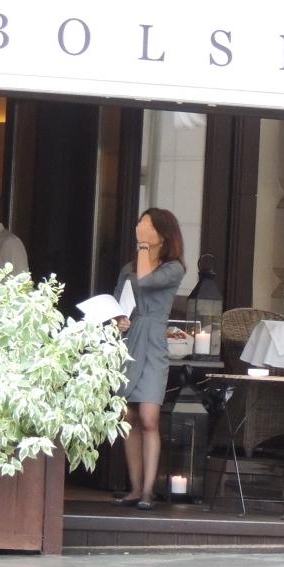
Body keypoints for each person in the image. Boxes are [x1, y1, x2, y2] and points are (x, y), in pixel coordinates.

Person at [112, 208, 186, 511]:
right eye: (141, 223)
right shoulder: (128, 267)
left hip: (154, 342)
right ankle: (134, 487)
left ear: (163, 235)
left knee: (149, 417)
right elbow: (119, 301)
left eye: (148, 226)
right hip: (131, 340)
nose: (141, 228)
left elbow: (145, 281)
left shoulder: (173, 268)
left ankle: (148, 490)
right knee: (128, 416)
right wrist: (119, 320)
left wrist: (143, 246)